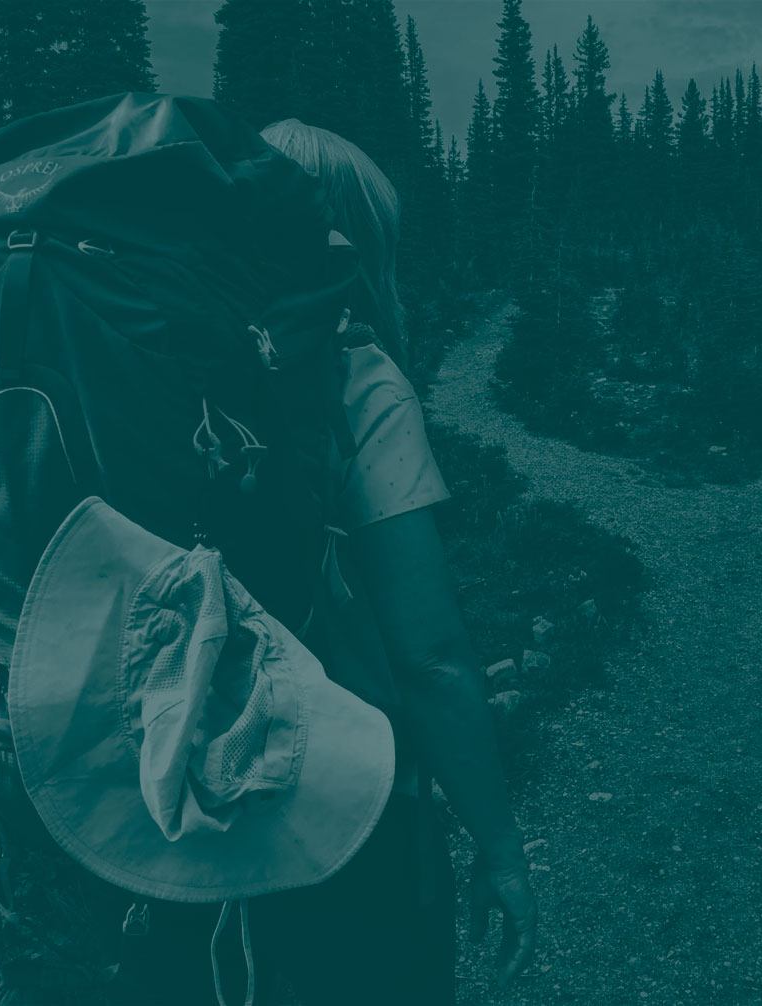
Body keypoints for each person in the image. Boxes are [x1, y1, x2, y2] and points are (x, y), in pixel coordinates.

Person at [109, 120, 539, 1004]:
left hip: (163, 793)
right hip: (342, 802)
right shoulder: (354, 375)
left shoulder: (147, 360)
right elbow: (431, 659)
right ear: (352, 238)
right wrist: (501, 848)